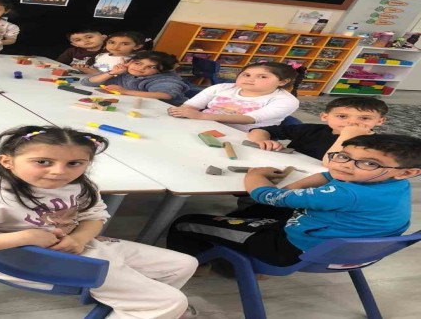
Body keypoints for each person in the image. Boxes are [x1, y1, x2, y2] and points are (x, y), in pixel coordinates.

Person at [0, 125, 198, 319]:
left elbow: (94, 216)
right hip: (24, 261)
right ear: (7, 161)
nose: (59, 172)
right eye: (43, 162)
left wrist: (79, 238)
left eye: (74, 163)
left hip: (77, 249)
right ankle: (147, 306)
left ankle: (131, 304)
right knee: (171, 302)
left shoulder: (79, 185)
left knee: (185, 264)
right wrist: (24, 237)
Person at [167, 134, 421, 267]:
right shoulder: (394, 182)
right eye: (343, 156)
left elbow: (268, 196)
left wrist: (255, 176)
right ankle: (232, 255)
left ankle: (199, 266)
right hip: (341, 247)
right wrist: (294, 187)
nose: (345, 165)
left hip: (291, 250)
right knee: (253, 212)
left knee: (186, 221)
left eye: (369, 163)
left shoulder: (347, 193)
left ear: (408, 171)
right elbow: (329, 175)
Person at [168, 62, 300, 132]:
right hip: (203, 127)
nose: (250, 79)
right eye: (246, 75)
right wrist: (183, 112)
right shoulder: (222, 88)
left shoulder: (286, 100)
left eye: (262, 77)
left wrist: (202, 116)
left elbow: (250, 119)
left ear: (282, 82)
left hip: (243, 137)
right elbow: (190, 106)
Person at [246, 96, 388, 161]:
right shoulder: (310, 130)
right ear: (325, 116)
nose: (352, 122)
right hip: (288, 171)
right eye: (342, 116)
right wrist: (262, 141)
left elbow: (334, 164)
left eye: (364, 118)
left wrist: (346, 135)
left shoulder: (380, 146)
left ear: (380, 121)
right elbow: (260, 130)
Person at [80, 50, 190, 105]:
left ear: (161, 71)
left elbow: (165, 95)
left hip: (170, 111)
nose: (141, 68)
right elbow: (88, 82)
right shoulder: (126, 72)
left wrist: (125, 92)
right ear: (130, 62)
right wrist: (112, 72)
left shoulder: (165, 79)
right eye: (137, 63)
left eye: (151, 67)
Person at [75, 31, 147, 74]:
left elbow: (121, 79)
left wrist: (94, 73)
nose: (115, 46)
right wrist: (83, 69)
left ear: (137, 46)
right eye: (112, 42)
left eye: (125, 44)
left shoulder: (134, 61)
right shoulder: (101, 55)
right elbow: (92, 69)